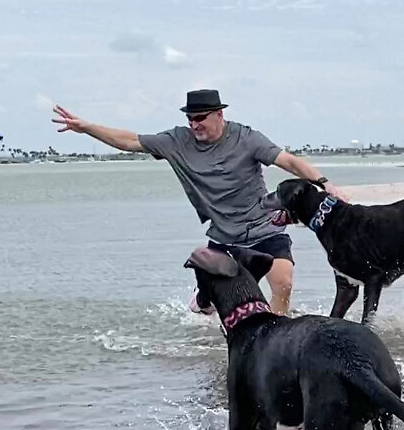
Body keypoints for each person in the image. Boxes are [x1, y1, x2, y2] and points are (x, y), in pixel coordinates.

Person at [52, 89, 348, 316]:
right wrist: (87, 127)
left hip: (263, 227)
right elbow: (129, 141)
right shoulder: (177, 141)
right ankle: (208, 311)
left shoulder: (247, 138)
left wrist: (324, 183)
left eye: (201, 118)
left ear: (219, 115)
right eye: (190, 119)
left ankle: (277, 335)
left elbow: (289, 162)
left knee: (283, 282)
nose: (194, 124)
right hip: (223, 236)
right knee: (215, 307)